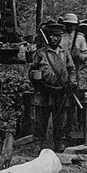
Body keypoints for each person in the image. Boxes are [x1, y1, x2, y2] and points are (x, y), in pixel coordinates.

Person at [29, 21, 76, 152]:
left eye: (59, 36)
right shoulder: (41, 53)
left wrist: (72, 82)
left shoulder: (64, 53)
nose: (56, 39)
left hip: (60, 91)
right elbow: (32, 69)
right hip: (43, 90)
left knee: (60, 119)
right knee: (40, 119)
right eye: (53, 36)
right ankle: (38, 143)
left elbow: (71, 69)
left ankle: (59, 142)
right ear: (48, 37)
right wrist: (35, 77)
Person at [59, 13, 87, 140]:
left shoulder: (80, 38)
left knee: (72, 101)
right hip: (60, 71)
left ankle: (69, 129)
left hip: (75, 71)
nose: (70, 27)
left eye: (73, 25)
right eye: (68, 25)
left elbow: (86, 56)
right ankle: (59, 130)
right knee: (60, 102)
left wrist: (78, 56)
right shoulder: (60, 37)